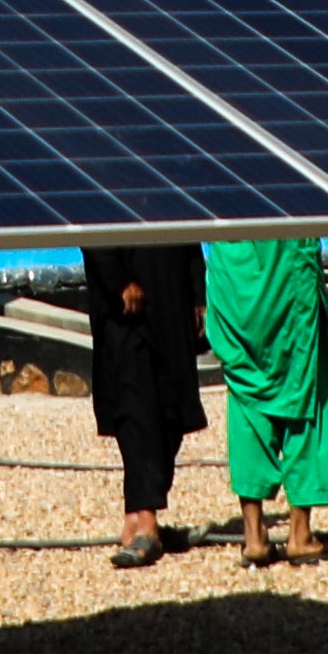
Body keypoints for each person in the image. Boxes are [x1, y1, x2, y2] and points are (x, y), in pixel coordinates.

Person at [204, 229, 328, 561]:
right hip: (287, 268)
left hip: (235, 283)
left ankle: (254, 536)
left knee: (246, 402)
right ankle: (299, 534)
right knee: (305, 399)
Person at [76, 237, 210, 568]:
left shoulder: (174, 185)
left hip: (171, 303)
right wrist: (119, 282)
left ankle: (137, 518)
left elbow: (188, 233)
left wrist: (198, 295)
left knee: (172, 411)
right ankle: (144, 522)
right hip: (126, 310)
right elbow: (93, 234)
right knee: (137, 412)